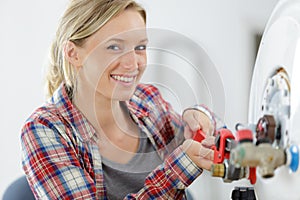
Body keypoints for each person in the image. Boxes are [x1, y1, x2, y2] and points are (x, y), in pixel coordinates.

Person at [20, 0, 216, 199]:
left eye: (140, 47)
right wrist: (181, 169)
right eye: (114, 47)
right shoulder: (45, 129)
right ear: (73, 54)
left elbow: (210, 141)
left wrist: (201, 118)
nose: (133, 64)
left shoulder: (146, 101)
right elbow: (185, 161)